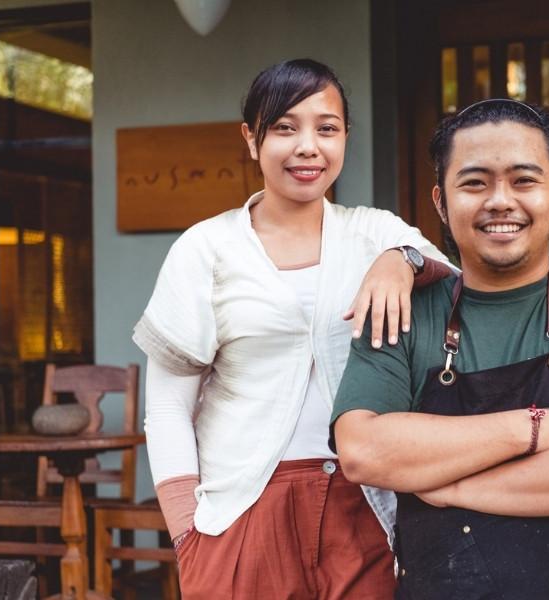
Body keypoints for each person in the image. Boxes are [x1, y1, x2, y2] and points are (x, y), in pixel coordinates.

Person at [133, 59, 452, 599]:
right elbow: (167, 406)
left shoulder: (375, 232)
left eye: (327, 128)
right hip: (242, 507)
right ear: (251, 139)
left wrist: (402, 260)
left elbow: (454, 280)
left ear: (345, 137)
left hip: (363, 505)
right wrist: (188, 532)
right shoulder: (206, 248)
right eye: (285, 128)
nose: (308, 147)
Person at [331, 98, 549, 599]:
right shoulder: (399, 311)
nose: (500, 201)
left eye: (524, 180)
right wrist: (540, 427)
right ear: (441, 203)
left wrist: (453, 488)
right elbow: (363, 452)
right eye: (474, 183)